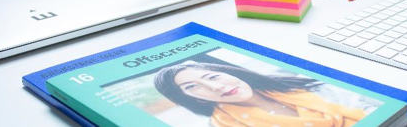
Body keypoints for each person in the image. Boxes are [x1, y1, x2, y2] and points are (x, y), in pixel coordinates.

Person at [154, 62, 376, 127]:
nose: (215, 87)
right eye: (192, 87)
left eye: (212, 77)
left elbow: (362, 104)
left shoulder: (288, 79)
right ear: (195, 98)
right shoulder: (223, 125)